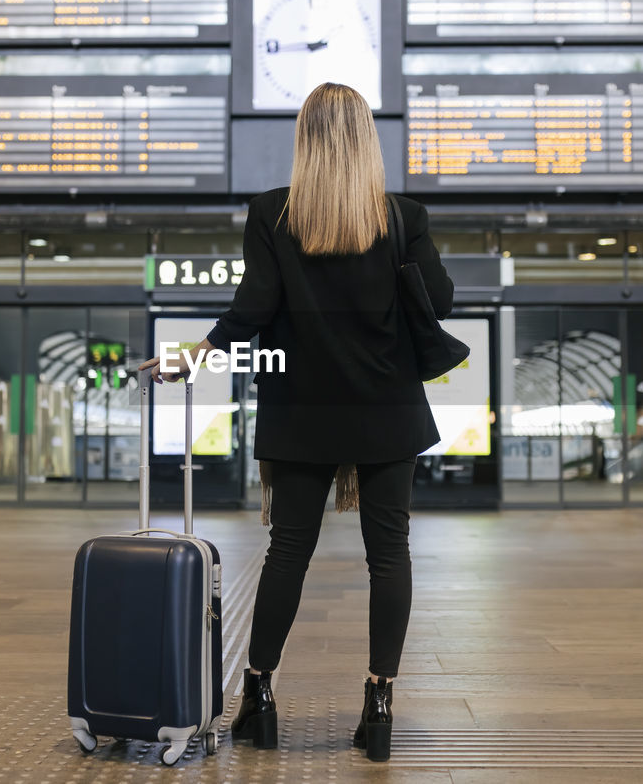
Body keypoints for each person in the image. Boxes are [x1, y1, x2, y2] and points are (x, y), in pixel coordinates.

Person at [140, 82, 454, 762]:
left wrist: (186, 357)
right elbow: (444, 298)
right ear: (368, 138)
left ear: (305, 139)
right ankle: (379, 701)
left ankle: (258, 693)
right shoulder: (404, 216)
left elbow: (252, 307)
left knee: (289, 551)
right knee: (389, 553)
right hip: (387, 409)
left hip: (302, 408)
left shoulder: (273, 215)